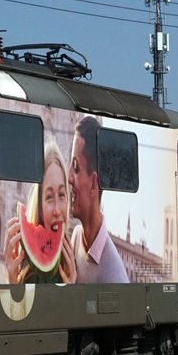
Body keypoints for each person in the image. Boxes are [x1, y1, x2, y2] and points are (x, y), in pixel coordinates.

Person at [2, 137, 77, 284]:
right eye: (49, 197)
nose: (57, 210)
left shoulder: (73, 263)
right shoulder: (26, 268)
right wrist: (12, 283)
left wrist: (71, 294)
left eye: (62, 195)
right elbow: (18, 308)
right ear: (40, 206)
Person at [67, 115, 129, 283]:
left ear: (94, 184)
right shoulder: (77, 236)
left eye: (76, 168)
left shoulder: (115, 277)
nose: (69, 178)